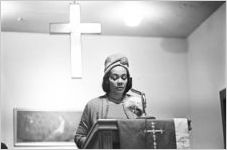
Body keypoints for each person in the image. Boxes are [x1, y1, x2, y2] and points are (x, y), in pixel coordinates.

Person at [74, 53, 143, 148]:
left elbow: (144, 133)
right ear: (107, 80)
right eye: (115, 77)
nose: (120, 82)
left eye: (124, 77)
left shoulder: (135, 104)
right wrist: (95, 145)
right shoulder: (93, 105)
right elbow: (79, 136)